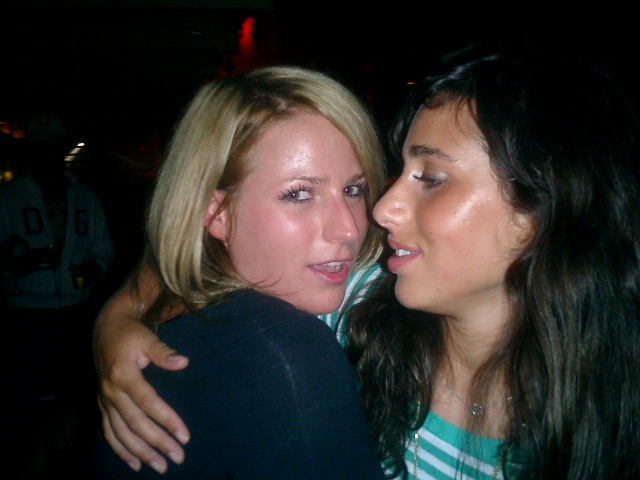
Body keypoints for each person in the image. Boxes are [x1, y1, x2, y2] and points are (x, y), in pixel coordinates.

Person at [345, 42, 640, 478]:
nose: (384, 209)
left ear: (537, 212)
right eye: (401, 170)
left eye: (431, 179)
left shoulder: (611, 413)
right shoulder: (349, 314)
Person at [92, 65, 388, 479]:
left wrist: (116, 313)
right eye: (299, 194)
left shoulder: (179, 309)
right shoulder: (287, 354)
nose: (350, 228)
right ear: (217, 214)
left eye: (353, 189)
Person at [0, 111, 115, 478]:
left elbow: (104, 249)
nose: (45, 155)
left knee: (74, 398)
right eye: (39, 148)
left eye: (52, 148)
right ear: (30, 152)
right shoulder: (8, 197)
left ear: (62, 150)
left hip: (77, 312)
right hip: (26, 315)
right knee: (22, 398)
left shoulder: (86, 198)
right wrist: (16, 262)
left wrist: (94, 269)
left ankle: (68, 466)